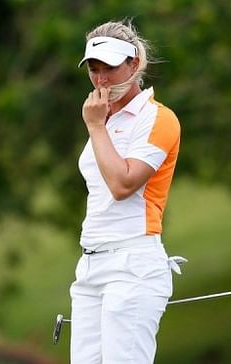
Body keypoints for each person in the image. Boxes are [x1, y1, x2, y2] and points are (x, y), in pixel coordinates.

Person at [70, 19, 183, 364]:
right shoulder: (104, 119)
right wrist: (100, 125)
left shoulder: (157, 119)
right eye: (94, 69)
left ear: (134, 65)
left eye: (111, 69)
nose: (101, 80)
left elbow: (123, 185)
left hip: (133, 265)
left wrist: (94, 127)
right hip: (91, 266)